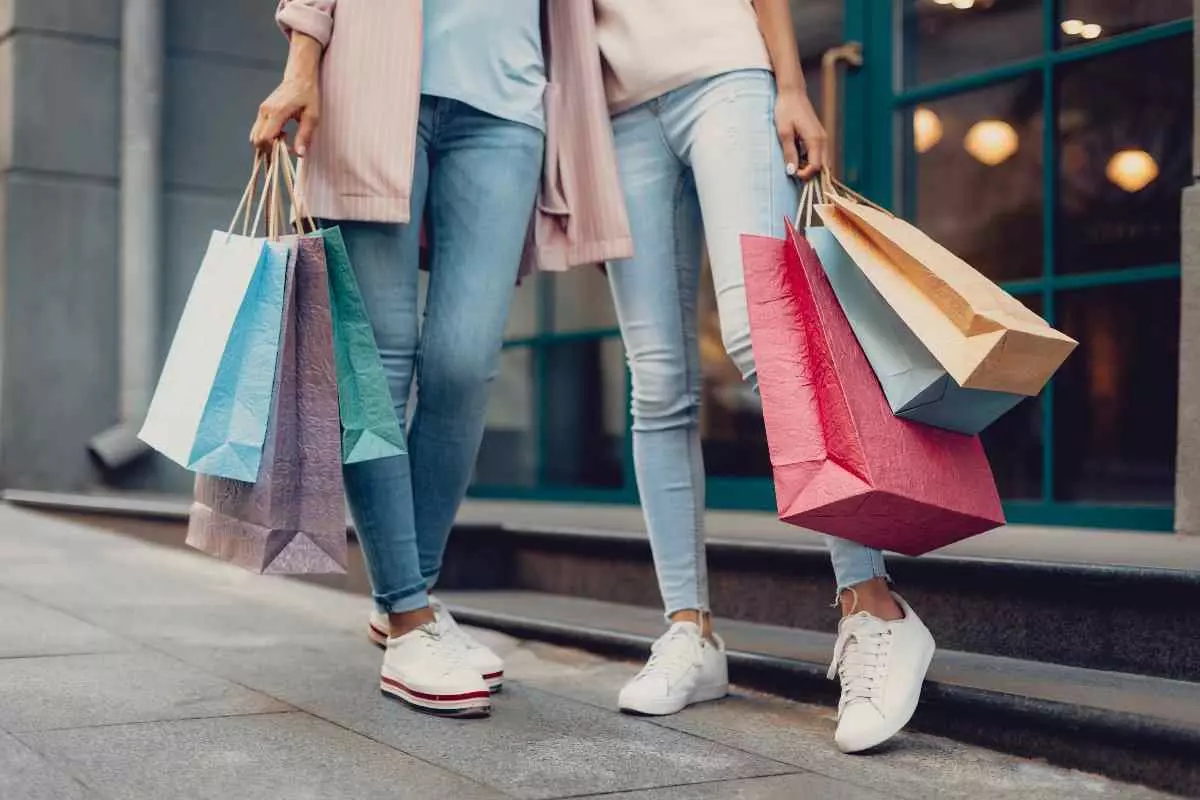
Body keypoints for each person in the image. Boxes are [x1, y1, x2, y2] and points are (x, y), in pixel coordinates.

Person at [254, 1, 631, 718]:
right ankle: (407, 612)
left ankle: (409, 598)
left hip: (508, 107)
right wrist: (301, 65)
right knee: (380, 362)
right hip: (369, 86)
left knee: (466, 361)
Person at [595, 0, 935, 753]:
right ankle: (689, 631)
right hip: (614, 117)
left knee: (766, 338)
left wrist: (790, 83)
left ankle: (874, 607)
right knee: (655, 379)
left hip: (727, 75)